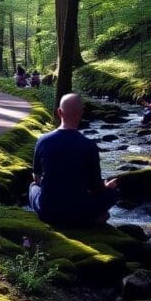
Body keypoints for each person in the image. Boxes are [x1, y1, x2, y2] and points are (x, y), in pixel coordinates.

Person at [29, 93, 119, 226]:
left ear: (59, 112)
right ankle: (94, 219)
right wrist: (107, 187)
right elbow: (96, 188)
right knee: (113, 193)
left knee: (32, 187)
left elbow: (37, 179)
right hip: (80, 212)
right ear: (81, 113)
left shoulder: (42, 141)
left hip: (48, 212)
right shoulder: (89, 146)